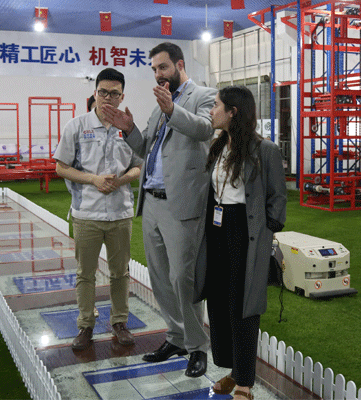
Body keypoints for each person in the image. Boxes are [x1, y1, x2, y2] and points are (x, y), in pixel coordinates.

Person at [101, 42, 217, 378]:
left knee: (183, 278)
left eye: (163, 67)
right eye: (153, 69)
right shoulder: (159, 107)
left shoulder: (204, 96)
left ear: (179, 65)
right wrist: (128, 128)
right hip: (151, 201)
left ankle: (197, 347)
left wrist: (172, 110)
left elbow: (204, 129)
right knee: (160, 277)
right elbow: (144, 148)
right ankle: (176, 338)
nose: (158, 74)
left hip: (182, 203)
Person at [194, 86, 287, 400]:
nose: (212, 111)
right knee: (220, 303)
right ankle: (235, 371)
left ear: (233, 111)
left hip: (245, 233)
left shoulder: (264, 150)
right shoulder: (219, 145)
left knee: (243, 306)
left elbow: (277, 199)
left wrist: (265, 233)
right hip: (217, 230)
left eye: (216, 105)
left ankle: (245, 383)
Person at [53, 67, 142, 351]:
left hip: (120, 213)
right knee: (85, 274)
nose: (107, 98)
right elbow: (61, 167)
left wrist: (121, 181)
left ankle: (120, 322)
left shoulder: (128, 129)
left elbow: (139, 166)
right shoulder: (77, 126)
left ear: (122, 97)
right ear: (95, 93)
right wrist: (94, 179)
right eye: (103, 92)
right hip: (86, 214)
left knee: (120, 272)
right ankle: (85, 325)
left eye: (114, 94)